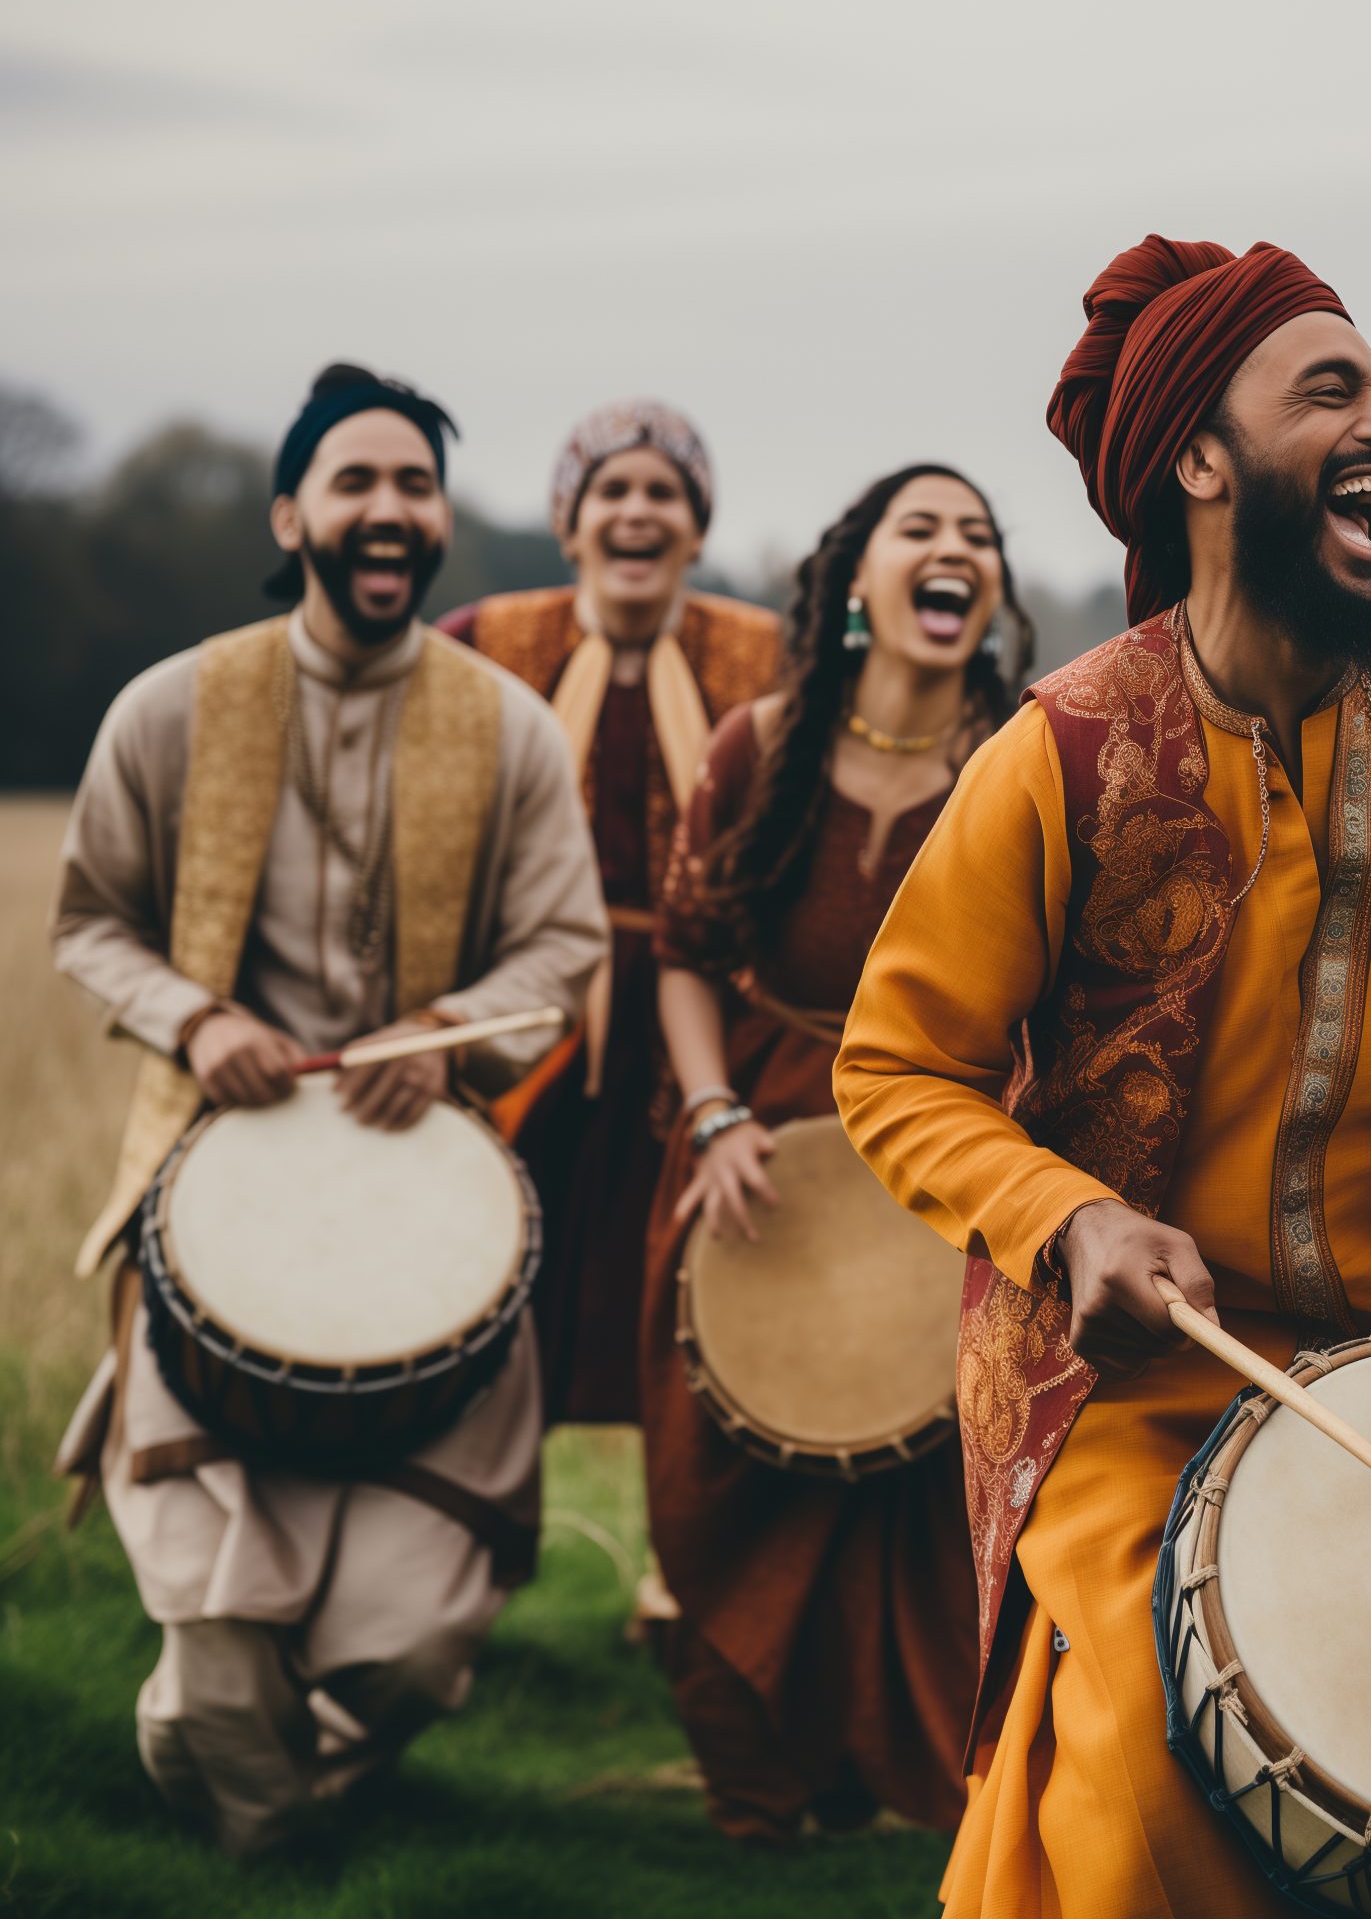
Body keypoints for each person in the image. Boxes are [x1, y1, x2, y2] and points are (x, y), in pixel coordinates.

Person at [834, 235, 1371, 1917]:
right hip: (1140, 1382)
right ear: (1202, 462)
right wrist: (1070, 1217)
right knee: (1152, 1782)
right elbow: (902, 1063)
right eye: (1331, 390)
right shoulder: (1062, 749)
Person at [49, 363, 608, 1855]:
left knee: (411, 1649)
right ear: (291, 515)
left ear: (439, 522)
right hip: (207, 1199)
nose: (389, 508)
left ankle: (278, 1792)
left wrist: (442, 1036)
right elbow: (91, 922)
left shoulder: (509, 731)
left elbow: (564, 951)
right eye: (355, 480)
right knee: (218, 1647)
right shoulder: (171, 708)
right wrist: (197, 1018)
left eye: (415, 484)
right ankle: (274, 1834)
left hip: (428, 1201)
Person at [639, 463, 1032, 1843]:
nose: (953, 547)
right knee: (722, 1475)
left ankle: (916, 1773)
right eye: (918, 527)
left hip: (950, 1151)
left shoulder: (1020, 762)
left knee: (925, 1495)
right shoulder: (756, 748)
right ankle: (762, 1772)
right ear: (857, 578)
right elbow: (685, 958)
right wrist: (711, 1115)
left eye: (977, 534)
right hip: (751, 1140)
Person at [438, 401, 780, 1425]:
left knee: (698, 1277)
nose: (637, 511)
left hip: (702, 1004)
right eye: (612, 491)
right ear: (569, 522)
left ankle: (684, 1508)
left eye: (663, 493)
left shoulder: (767, 655)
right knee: (499, 1262)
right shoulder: (482, 642)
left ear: (697, 527)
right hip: (529, 1004)